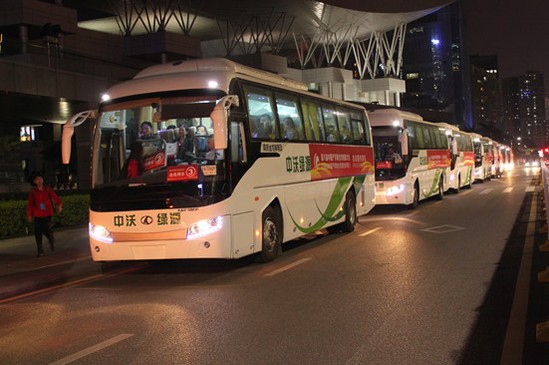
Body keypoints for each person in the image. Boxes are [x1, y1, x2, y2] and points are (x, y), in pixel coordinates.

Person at [27, 172, 62, 257]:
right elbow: (30, 204)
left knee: (45, 229)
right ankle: (40, 250)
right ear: (34, 181)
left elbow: (55, 197)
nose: (39, 181)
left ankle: (50, 238)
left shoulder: (48, 189)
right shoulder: (33, 193)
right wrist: (29, 215)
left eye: (40, 179)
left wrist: (59, 205)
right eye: (37, 179)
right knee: (38, 232)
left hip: (47, 213)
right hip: (38, 214)